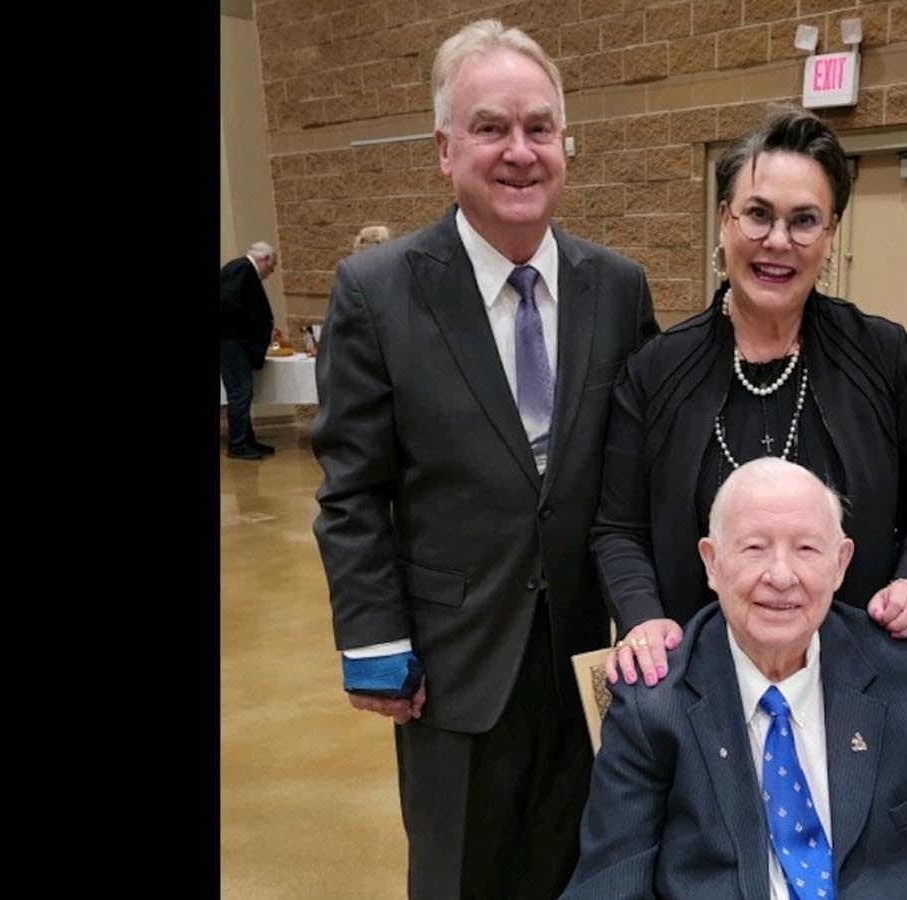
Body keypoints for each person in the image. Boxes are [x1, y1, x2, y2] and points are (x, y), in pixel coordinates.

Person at [310, 19, 660, 900]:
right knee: (460, 876)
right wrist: (375, 643)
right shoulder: (379, 292)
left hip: (589, 662)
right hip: (451, 668)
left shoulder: (617, 288)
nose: (520, 151)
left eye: (540, 128)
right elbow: (353, 491)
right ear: (443, 148)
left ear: (564, 144)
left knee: (584, 870)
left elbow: (643, 470)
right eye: (491, 128)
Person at [563, 459, 907, 900]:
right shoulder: (654, 702)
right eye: (754, 547)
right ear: (712, 562)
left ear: (840, 562)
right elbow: (607, 884)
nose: (780, 576)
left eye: (807, 549)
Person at [594, 106, 907, 687]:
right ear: (723, 220)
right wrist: (642, 618)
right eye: (758, 215)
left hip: (856, 677)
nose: (777, 242)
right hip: (696, 682)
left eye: (804, 220)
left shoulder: (887, 359)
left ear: (831, 232)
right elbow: (619, 528)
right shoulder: (653, 372)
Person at [220, 241, 279, 460]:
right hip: (232, 341)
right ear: (264, 259)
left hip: (233, 340)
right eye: (271, 268)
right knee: (240, 392)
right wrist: (254, 328)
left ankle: (246, 439)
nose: (268, 274)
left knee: (243, 391)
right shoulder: (242, 268)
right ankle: (237, 444)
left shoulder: (240, 268)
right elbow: (228, 303)